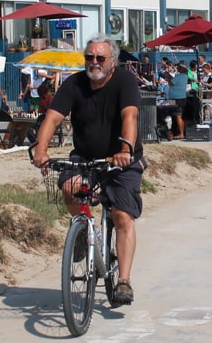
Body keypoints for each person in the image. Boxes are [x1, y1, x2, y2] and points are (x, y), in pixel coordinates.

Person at [32, 34, 144, 306]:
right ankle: (83, 231)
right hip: (84, 156)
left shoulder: (125, 81)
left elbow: (130, 115)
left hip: (121, 159)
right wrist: (41, 149)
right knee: (69, 187)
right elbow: (53, 117)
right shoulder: (74, 83)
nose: (94, 62)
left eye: (100, 58)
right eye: (89, 57)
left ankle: (124, 281)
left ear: (112, 61)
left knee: (121, 216)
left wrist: (126, 150)